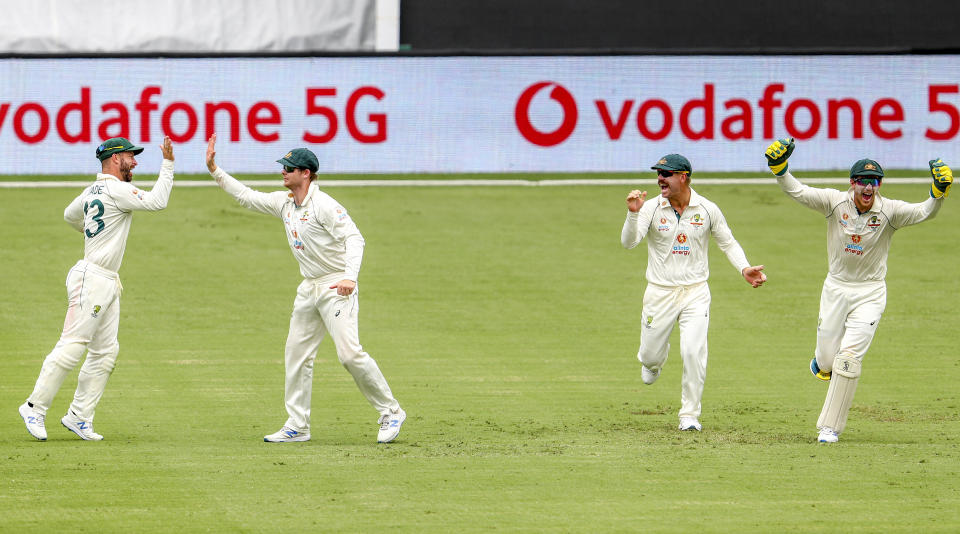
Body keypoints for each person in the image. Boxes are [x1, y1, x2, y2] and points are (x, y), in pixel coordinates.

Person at [204, 133, 405, 444]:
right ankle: (298, 425)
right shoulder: (285, 204)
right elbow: (247, 196)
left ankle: (390, 411)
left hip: (336, 284)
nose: (283, 171)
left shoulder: (324, 205)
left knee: (349, 355)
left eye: (289, 168)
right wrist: (216, 170)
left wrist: (350, 276)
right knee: (296, 354)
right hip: (308, 287)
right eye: (284, 167)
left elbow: (355, 239)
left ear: (306, 173)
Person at [764, 138, 952, 443]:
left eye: (874, 182)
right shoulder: (834, 202)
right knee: (828, 362)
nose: (869, 188)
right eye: (863, 181)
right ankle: (822, 361)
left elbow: (923, 213)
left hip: (870, 293)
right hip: (836, 289)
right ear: (852, 183)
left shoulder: (889, 211)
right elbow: (798, 192)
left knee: (848, 360)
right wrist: (779, 169)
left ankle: (829, 427)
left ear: (879, 185)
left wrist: (937, 193)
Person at [18, 136, 175, 441]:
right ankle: (34, 406)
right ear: (116, 159)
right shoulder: (117, 189)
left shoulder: (93, 189)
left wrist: (91, 234)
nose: (136, 162)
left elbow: (69, 215)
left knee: (105, 351)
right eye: (131, 156)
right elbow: (158, 201)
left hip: (105, 279)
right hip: (93, 278)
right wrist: (168, 164)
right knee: (74, 343)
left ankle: (79, 416)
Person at [622, 154, 767, 431]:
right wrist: (633, 213)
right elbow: (629, 243)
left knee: (693, 352)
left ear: (683, 176)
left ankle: (689, 415)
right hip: (660, 291)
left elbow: (728, 242)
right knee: (650, 358)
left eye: (666, 173)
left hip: (696, 291)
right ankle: (654, 363)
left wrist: (744, 268)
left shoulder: (707, 208)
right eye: (658, 173)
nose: (660, 178)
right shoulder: (650, 207)